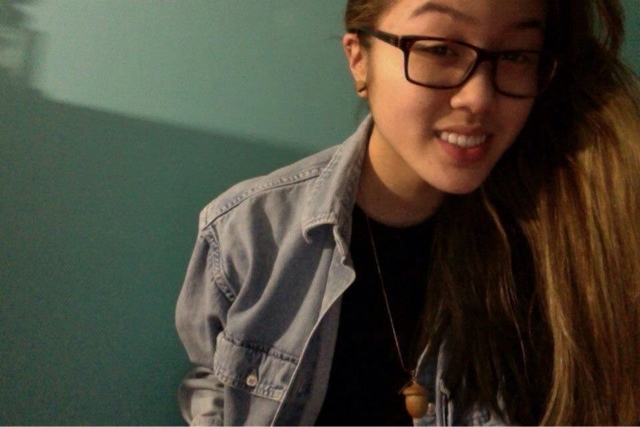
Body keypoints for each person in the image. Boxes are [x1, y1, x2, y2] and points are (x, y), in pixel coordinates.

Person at [175, 0, 640, 425]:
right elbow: (213, 378)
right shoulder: (249, 231)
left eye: (517, 55)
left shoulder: (558, 248)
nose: (478, 98)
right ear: (359, 59)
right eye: (440, 49)